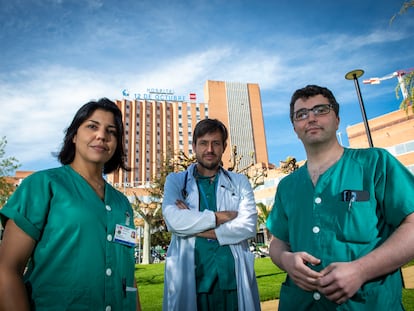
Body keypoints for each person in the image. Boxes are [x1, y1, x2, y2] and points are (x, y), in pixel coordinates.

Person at [266, 84, 414, 310]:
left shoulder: (376, 164)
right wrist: (286, 260)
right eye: (302, 114)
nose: (311, 118)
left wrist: (362, 270)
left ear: (337, 119)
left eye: (320, 110)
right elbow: (278, 242)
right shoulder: (286, 186)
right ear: (295, 128)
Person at [0, 98, 142, 310]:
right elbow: (7, 270)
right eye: (92, 126)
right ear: (74, 135)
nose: (102, 135)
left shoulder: (123, 204)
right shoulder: (42, 185)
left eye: (111, 131)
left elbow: (128, 278)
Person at [162, 118, 261, 311]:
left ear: (224, 147)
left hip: (232, 278)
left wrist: (191, 224)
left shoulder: (239, 182)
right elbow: (173, 221)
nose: (210, 149)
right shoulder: (176, 181)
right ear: (194, 146)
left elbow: (248, 226)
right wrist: (219, 217)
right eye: (204, 143)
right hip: (193, 278)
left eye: (216, 143)